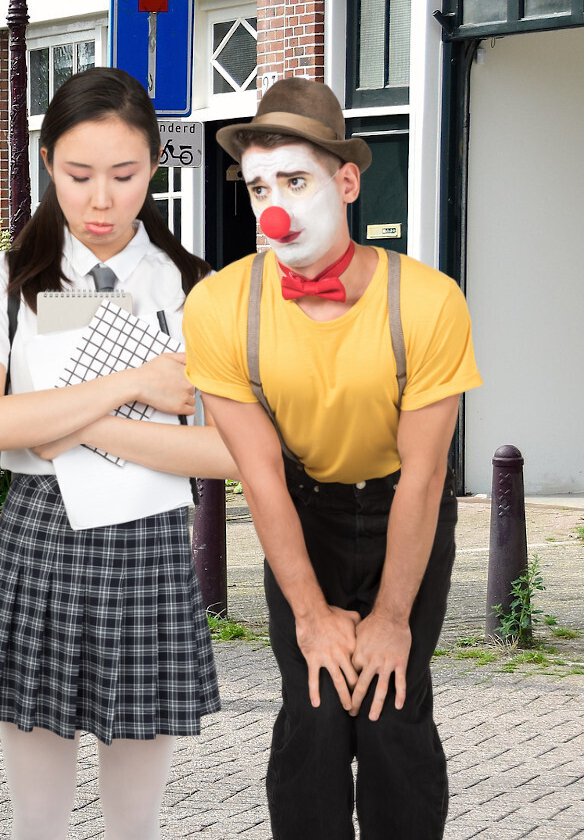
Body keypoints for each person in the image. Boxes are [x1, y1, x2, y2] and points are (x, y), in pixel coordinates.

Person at [185, 78, 482, 839]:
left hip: (402, 511)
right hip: (303, 507)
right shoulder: (221, 308)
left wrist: (389, 617)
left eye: (294, 180)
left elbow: (423, 475)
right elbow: (259, 478)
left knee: (390, 705)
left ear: (346, 182)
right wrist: (312, 615)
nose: (273, 207)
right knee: (315, 708)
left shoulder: (428, 301)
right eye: (259, 187)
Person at [0, 68, 237, 840]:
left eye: (125, 174)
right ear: (48, 164)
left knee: (135, 826)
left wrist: (57, 423)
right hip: (39, 538)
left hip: (149, 542)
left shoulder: (193, 288)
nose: (101, 200)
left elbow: (227, 452)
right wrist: (139, 382)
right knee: (37, 823)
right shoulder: (3, 280)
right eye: (79, 176)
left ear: (155, 165)